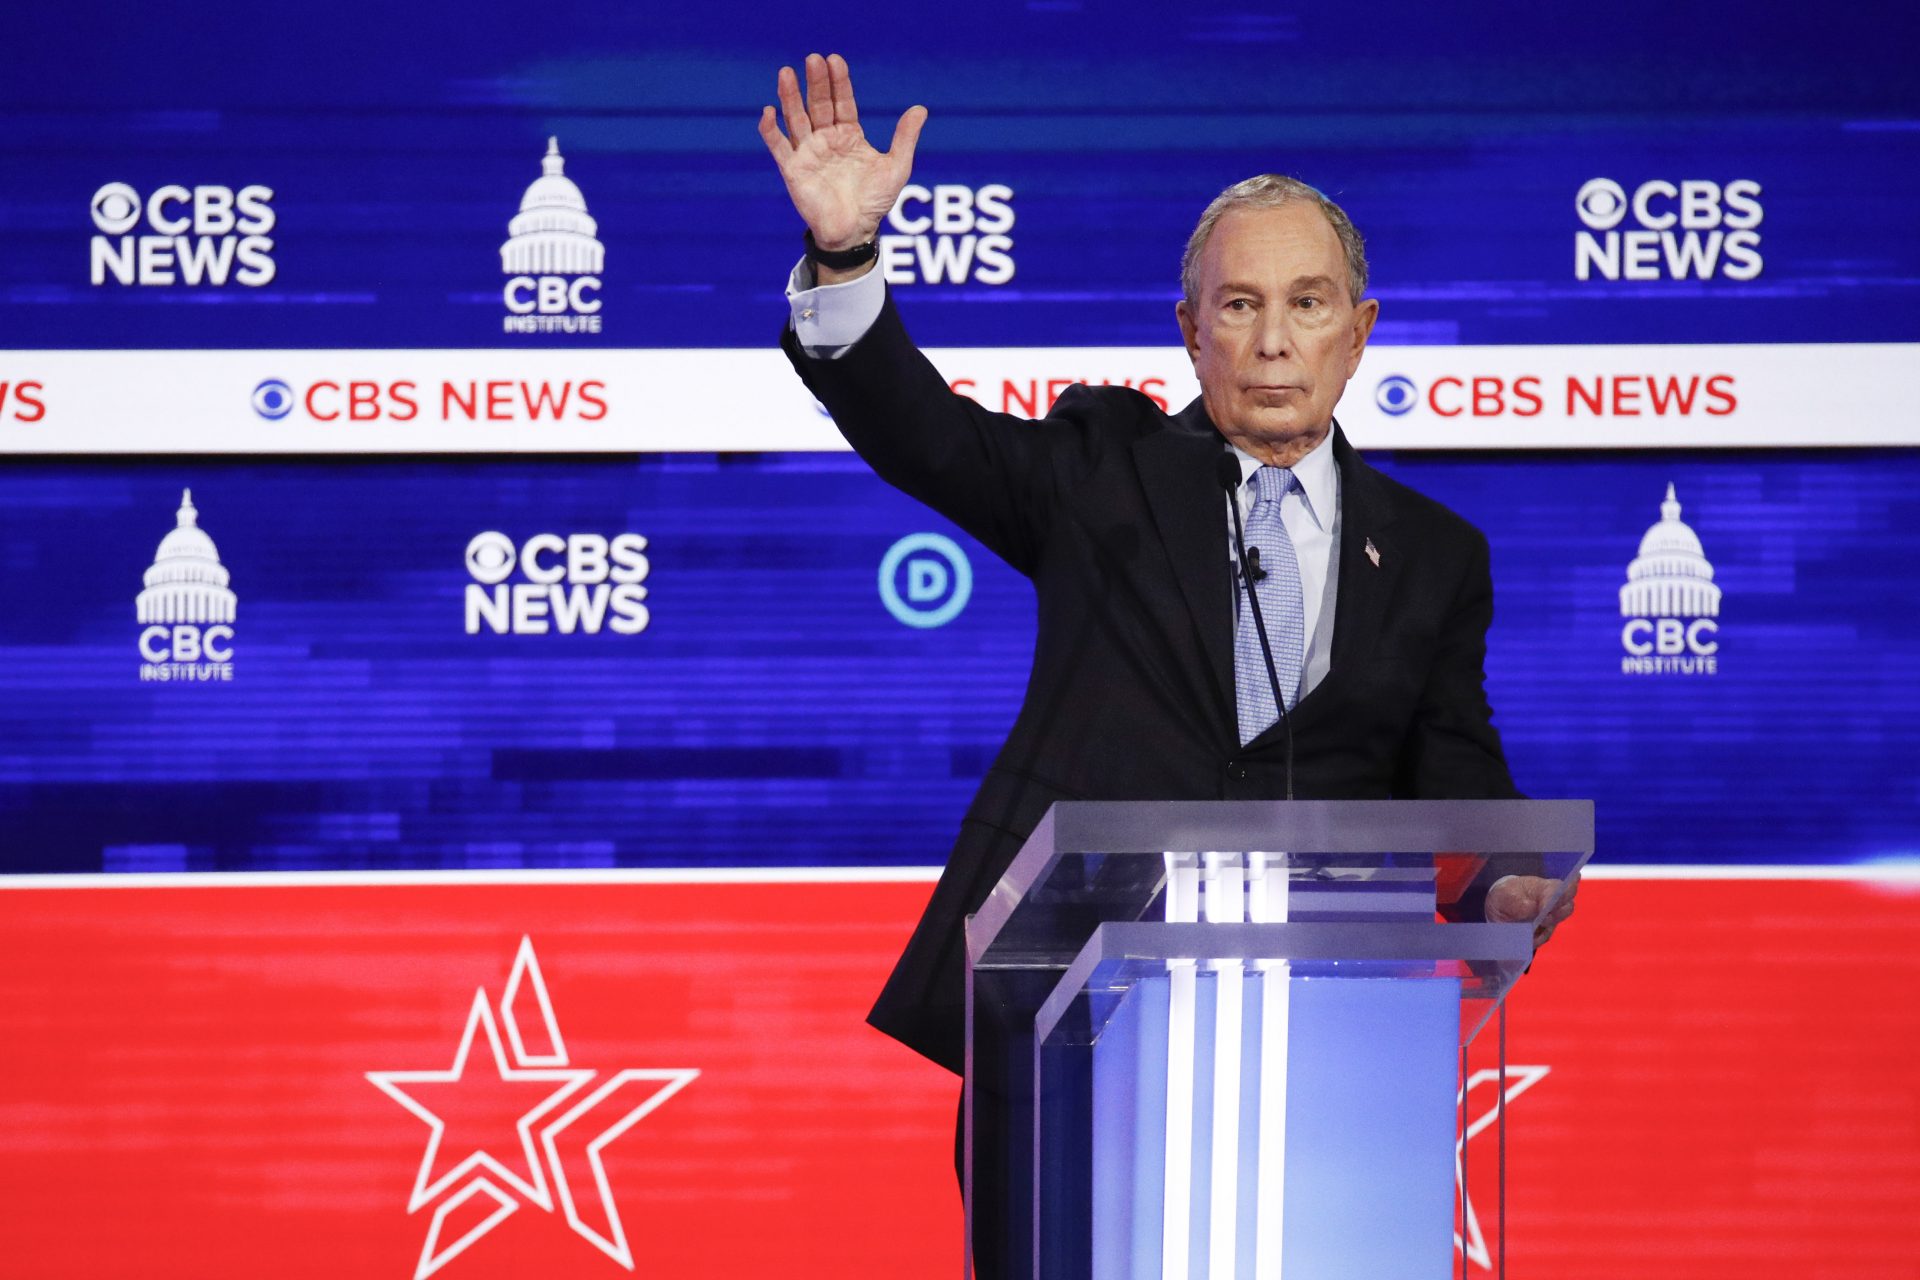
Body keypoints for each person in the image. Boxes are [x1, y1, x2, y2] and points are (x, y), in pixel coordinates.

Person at [760, 52, 1578, 1277]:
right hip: (1073, 1019)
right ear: (1189, 331)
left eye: (1308, 304)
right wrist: (843, 261)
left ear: (1358, 335)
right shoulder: (1106, 477)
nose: (1272, 342)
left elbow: (1457, 774)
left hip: (1328, 1042)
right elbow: (922, 435)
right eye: (1237, 306)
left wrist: (1508, 875)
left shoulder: (1432, 555)